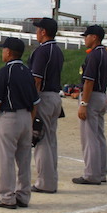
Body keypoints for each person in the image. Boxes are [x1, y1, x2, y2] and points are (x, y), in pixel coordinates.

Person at [0, 37, 40, 209]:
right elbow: (35, 103)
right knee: (24, 159)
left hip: (9, 118)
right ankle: (23, 195)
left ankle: (7, 197)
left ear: (8, 52)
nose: (3, 52)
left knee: (6, 158)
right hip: (25, 118)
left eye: (4, 49)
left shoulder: (5, 71)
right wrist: (29, 123)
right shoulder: (27, 71)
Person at [28, 18, 64, 194]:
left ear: (43, 32)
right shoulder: (57, 50)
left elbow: (37, 80)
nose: (36, 33)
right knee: (50, 140)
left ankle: (44, 182)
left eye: (38, 30)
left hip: (43, 98)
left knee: (40, 139)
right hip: (55, 97)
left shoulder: (42, 51)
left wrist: (32, 104)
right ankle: (51, 180)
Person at [73, 25, 107, 185]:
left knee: (90, 138)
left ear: (94, 37)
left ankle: (91, 174)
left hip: (92, 96)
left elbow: (89, 81)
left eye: (87, 36)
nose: (85, 39)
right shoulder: (105, 54)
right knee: (98, 136)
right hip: (102, 95)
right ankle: (101, 171)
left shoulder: (94, 55)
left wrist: (83, 103)